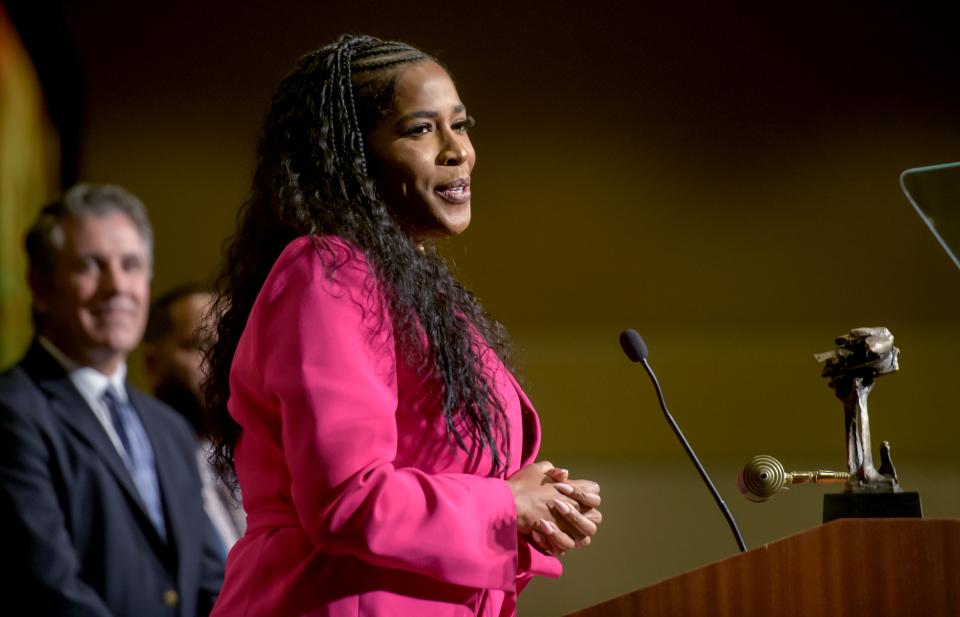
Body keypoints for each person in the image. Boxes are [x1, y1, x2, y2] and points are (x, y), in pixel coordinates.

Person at [205, 35, 602, 616]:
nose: (457, 151)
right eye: (420, 129)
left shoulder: (414, 289)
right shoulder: (330, 273)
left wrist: (543, 504)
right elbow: (348, 498)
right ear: (350, 157)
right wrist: (506, 504)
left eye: (461, 126)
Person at [0, 184, 225, 616]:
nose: (117, 286)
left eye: (131, 265)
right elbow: (49, 587)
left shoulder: (169, 428)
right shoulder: (13, 412)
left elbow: (209, 579)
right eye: (89, 265)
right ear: (40, 286)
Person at [143, 284, 247, 553]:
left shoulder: (258, 457)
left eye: (226, 345)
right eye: (200, 344)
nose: (218, 361)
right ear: (152, 364)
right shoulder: (139, 463)